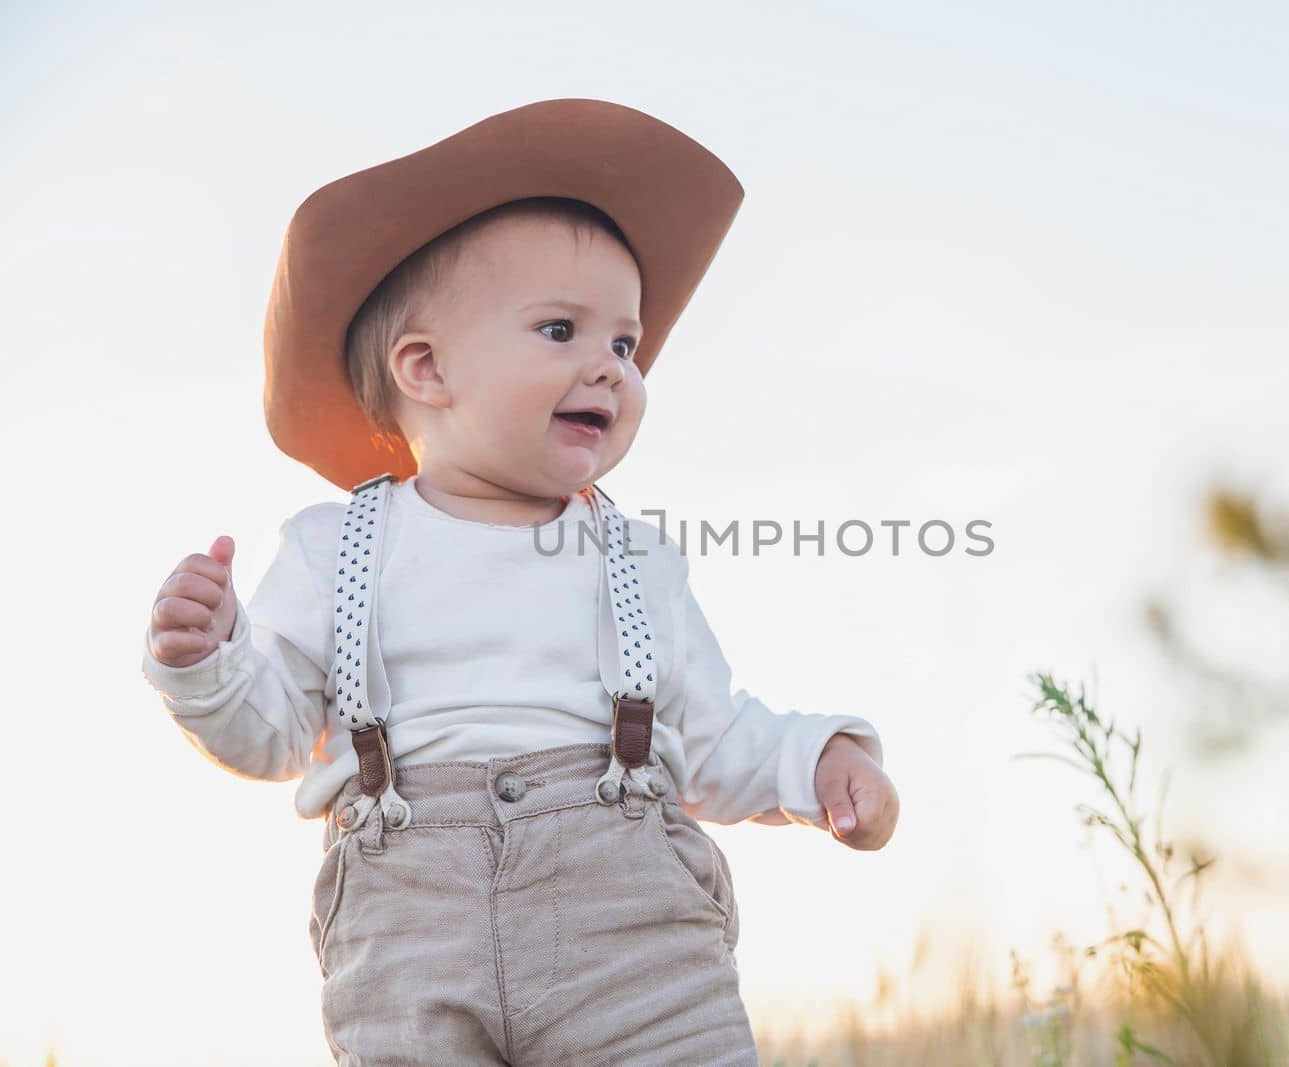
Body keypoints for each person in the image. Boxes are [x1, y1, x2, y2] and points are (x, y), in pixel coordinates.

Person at [140, 98, 898, 1066]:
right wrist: (208, 663)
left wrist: (821, 759)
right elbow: (275, 735)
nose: (611, 368)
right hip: (410, 930)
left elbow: (711, 735)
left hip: (631, 928)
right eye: (560, 329)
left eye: (625, 344)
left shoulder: (640, 562)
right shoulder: (335, 548)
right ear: (427, 368)